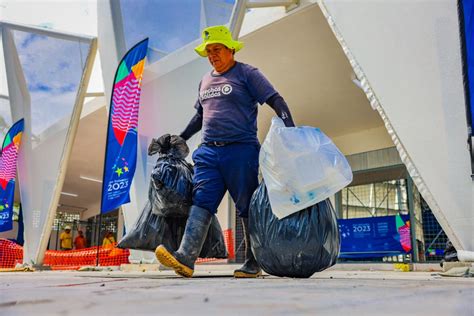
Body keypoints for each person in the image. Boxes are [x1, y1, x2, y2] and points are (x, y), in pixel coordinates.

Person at [155, 25, 295, 278]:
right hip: (208, 152)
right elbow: (200, 116)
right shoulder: (205, 80)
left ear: (230, 49)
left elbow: (276, 100)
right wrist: (181, 137)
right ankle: (185, 258)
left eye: (216, 49)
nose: (212, 55)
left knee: (246, 206)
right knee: (202, 201)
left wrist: (291, 129)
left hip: (241, 151)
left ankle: (254, 262)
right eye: (208, 51)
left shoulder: (247, 74)